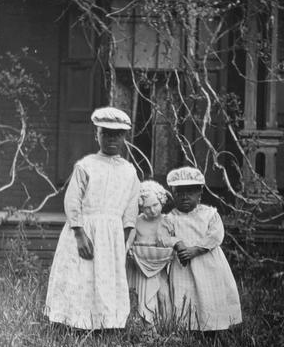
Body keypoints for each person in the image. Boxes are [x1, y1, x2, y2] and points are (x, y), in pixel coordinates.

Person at [45, 107, 140, 330]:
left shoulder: (129, 171)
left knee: (107, 277)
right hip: (84, 229)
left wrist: (123, 238)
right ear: (96, 135)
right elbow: (72, 201)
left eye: (117, 134)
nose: (111, 138)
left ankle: (105, 323)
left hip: (112, 234)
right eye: (105, 133)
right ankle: (74, 321)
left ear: (125, 137)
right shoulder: (85, 166)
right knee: (80, 274)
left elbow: (131, 208)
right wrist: (78, 233)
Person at [158, 166, 242, 332]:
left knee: (209, 295)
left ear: (200, 194)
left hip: (208, 263)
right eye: (179, 193)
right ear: (173, 194)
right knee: (186, 294)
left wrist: (196, 249)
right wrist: (177, 243)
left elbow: (216, 235)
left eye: (190, 192)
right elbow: (162, 236)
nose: (184, 197)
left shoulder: (209, 214)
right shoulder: (170, 218)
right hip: (184, 266)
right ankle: (188, 327)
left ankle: (214, 326)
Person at [126, 180, 173, 325]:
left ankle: (168, 326)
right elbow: (129, 242)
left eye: (155, 205)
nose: (152, 211)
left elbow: (173, 241)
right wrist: (128, 251)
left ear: (162, 201)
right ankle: (147, 327)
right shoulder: (136, 222)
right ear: (140, 207)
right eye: (146, 208)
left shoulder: (167, 221)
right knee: (143, 296)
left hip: (160, 264)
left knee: (164, 294)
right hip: (141, 264)